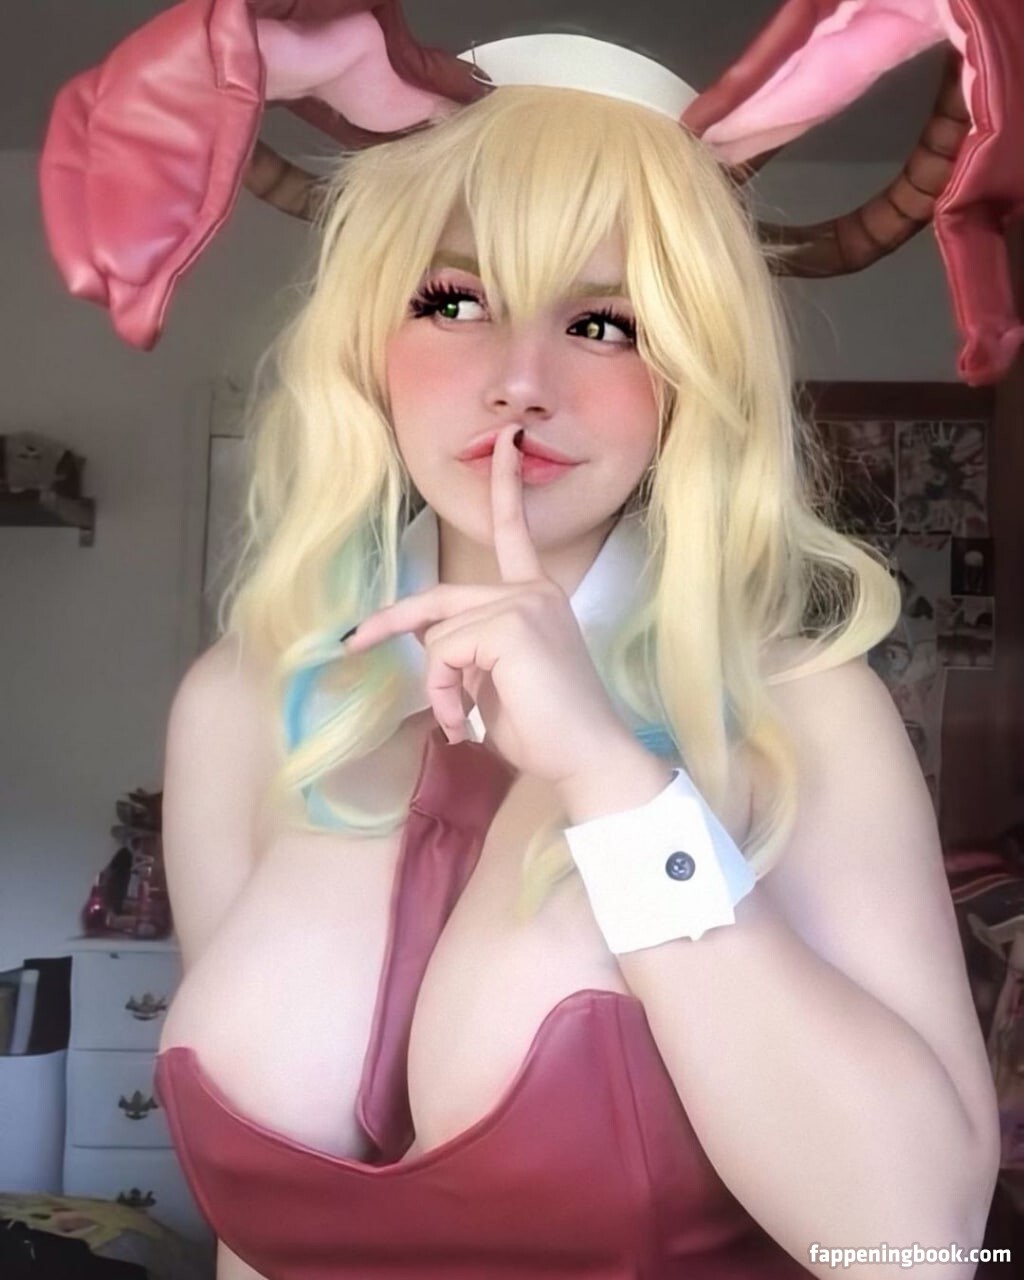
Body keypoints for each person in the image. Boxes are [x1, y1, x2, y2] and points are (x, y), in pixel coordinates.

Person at [145, 36, 1001, 1280]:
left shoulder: (802, 709)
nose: (518, 382)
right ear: (367, 344)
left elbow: (914, 1245)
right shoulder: (242, 702)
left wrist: (611, 781)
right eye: (453, 302)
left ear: (687, 375)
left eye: (603, 322)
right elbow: (254, 1237)